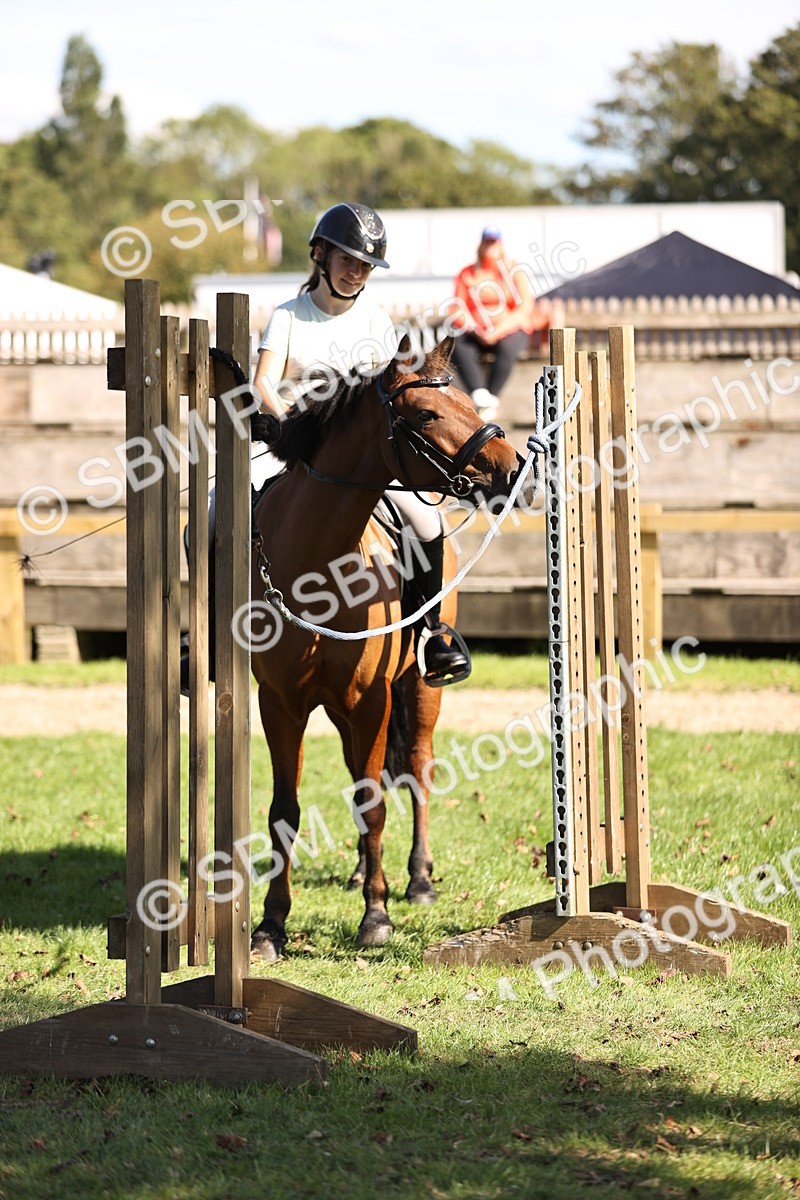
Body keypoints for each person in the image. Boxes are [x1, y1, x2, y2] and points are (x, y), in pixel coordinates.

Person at [252, 201, 470, 687]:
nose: (356, 273)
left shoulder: (377, 321)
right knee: (210, 516)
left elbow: (392, 390)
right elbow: (264, 380)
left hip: (358, 461)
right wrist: (284, 420)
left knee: (427, 521)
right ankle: (200, 639)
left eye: (366, 265)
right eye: (348, 260)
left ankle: (433, 635)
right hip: (289, 446)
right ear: (320, 254)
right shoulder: (289, 316)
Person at [450, 227, 538, 421]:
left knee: (508, 348)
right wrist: (475, 328)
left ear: (501, 244)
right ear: (481, 244)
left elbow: (524, 308)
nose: (490, 246)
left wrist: (497, 331)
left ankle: (491, 398)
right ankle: (481, 395)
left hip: (509, 330)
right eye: (487, 242)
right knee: (457, 343)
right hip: (477, 332)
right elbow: (458, 308)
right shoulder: (467, 273)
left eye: (494, 242)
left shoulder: (514, 271)